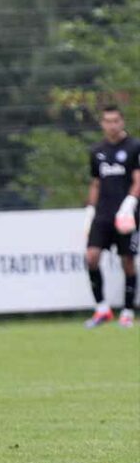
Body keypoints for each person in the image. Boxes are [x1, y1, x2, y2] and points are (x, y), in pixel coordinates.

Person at [83, 105, 140, 328]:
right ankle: (102, 309)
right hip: (103, 214)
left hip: (126, 215)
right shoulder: (96, 151)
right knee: (91, 257)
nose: (112, 125)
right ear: (102, 124)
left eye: (116, 120)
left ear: (122, 121)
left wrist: (130, 202)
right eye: (108, 121)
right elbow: (96, 183)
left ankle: (127, 311)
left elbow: (138, 179)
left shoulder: (134, 147)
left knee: (127, 260)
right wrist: (90, 210)